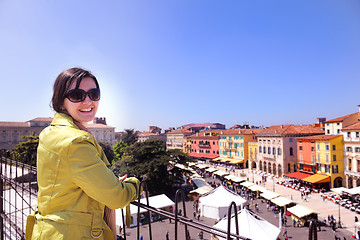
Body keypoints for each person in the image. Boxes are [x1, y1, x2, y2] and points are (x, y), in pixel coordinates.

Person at [25, 68, 141, 240]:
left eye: (94, 94)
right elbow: (116, 198)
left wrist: (105, 180)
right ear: (60, 100)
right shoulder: (75, 141)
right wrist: (135, 184)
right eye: (77, 95)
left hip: (48, 230)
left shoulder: (50, 132)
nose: (88, 101)